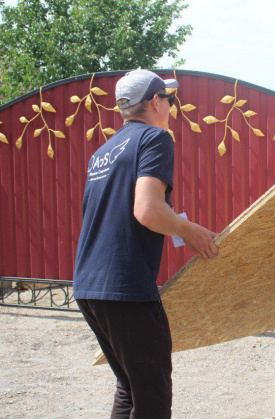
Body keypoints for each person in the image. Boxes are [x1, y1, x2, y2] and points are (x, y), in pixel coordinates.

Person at [73, 69, 218, 418]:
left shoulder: (104, 151)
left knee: (130, 389)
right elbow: (147, 209)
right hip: (125, 288)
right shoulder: (156, 138)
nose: (170, 106)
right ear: (155, 101)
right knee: (151, 397)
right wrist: (188, 229)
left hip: (89, 286)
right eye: (169, 99)